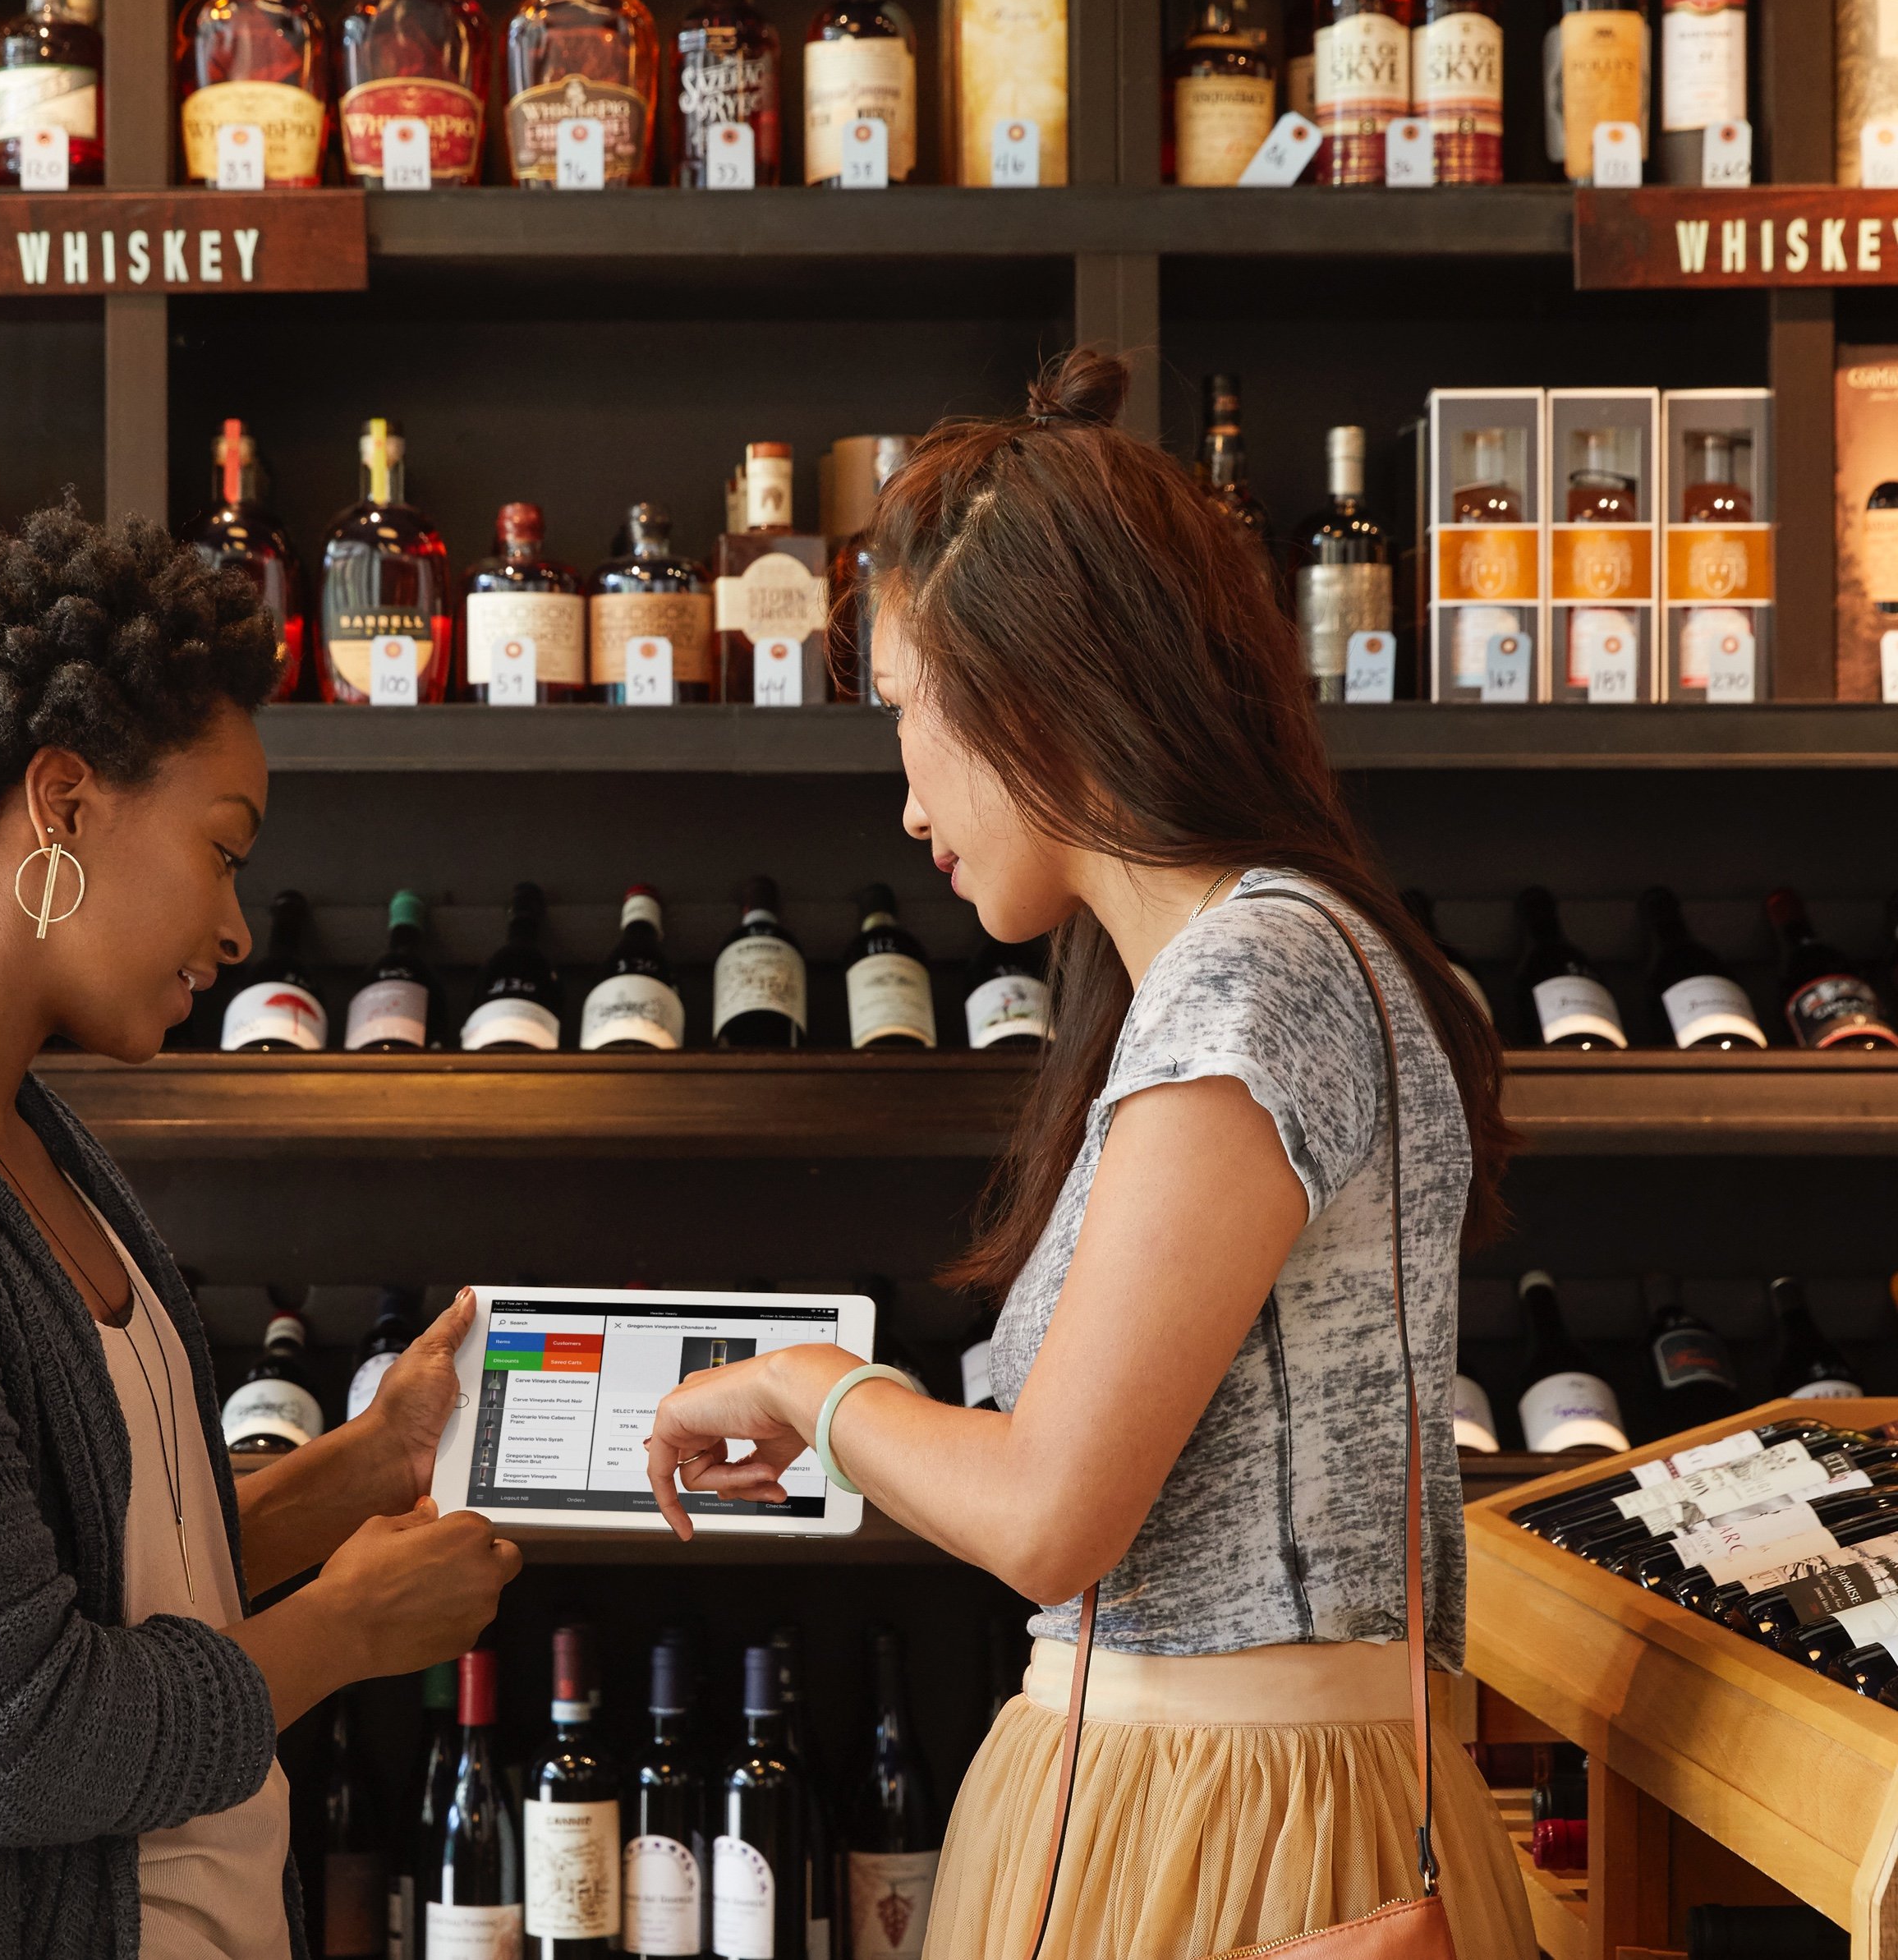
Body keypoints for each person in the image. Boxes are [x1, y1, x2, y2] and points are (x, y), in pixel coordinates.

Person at [641, 352, 1533, 1959]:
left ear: (1034, 688)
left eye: (911, 715)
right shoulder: (1249, 963)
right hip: (1207, 1791)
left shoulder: (1256, 973)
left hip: (1215, 1823)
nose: (906, 797)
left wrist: (807, 1388)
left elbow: (1054, 1511)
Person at [0, 505, 521, 1960]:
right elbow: (25, 1740)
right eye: (222, 849)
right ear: (61, 803)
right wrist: (348, 1633)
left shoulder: (13, 1132)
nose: (240, 928)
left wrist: (366, 1467)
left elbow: (101, 1580)